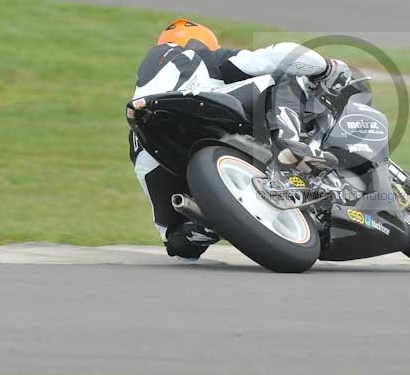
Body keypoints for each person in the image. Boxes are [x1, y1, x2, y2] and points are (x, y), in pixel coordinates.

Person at [129, 18, 351, 260]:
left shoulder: (146, 98)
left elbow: (181, 252)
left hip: (146, 138)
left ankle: (204, 225)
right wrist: (325, 68)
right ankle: (289, 143)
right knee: (286, 75)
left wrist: (214, 216)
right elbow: (280, 55)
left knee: (172, 236)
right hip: (196, 104)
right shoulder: (202, 57)